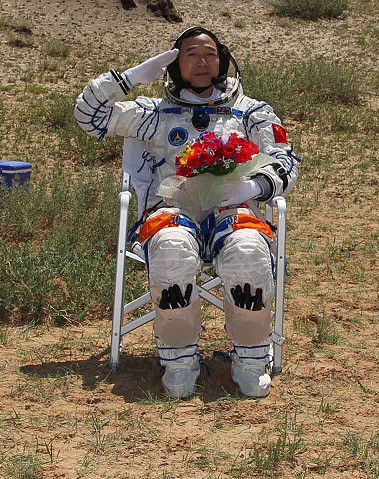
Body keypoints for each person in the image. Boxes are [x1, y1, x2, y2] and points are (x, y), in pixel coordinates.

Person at [74, 27, 300, 398]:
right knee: (171, 249)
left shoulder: (251, 112)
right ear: (175, 65)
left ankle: (251, 359)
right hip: (173, 210)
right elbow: (89, 116)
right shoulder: (155, 113)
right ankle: (179, 362)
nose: (201, 62)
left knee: (248, 252)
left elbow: (285, 159)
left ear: (222, 61)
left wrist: (254, 187)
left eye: (209, 54)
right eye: (190, 54)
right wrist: (131, 78)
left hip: (233, 211)